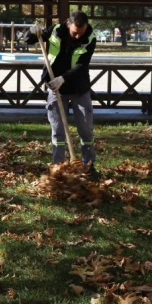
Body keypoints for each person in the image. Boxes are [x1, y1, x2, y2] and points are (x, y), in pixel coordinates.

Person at [24, 11, 99, 179]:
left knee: (85, 129)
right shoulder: (55, 31)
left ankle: (89, 165)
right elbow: (29, 41)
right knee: (58, 130)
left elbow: (81, 65)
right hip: (55, 88)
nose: (78, 36)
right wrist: (32, 31)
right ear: (68, 25)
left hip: (79, 88)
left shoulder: (90, 38)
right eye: (75, 32)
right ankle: (59, 166)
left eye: (81, 32)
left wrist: (63, 78)